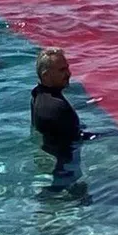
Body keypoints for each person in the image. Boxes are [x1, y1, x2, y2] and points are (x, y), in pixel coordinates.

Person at [31, 48, 94, 192]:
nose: (69, 73)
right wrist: (113, 134)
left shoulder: (37, 95)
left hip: (53, 157)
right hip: (66, 170)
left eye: (67, 68)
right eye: (62, 70)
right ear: (46, 76)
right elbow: (75, 139)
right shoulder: (57, 107)